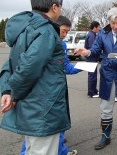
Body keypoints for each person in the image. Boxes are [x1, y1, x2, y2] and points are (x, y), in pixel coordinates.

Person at [0, 0, 70, 155]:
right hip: (43, 108)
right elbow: (28, 67)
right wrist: (14, 93)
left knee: (32, 149)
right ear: (54, 7)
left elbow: (10, 64)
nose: (60, 11)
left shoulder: (25, 29)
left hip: (30, 108)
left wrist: (8, 89)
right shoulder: (45, 30)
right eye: (60, 7)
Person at [75, 7, 117, 152]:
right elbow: (95, 50)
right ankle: (105, 135)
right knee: (105, 108)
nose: (116, 26)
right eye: (113, 23)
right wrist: (86, 52)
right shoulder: (103, 33)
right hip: (108, 74)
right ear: (109, 22)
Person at [19, 15, 80, 155]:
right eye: (63, 30)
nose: (64, 34)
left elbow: (66, 68)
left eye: (67, 32)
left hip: (57, 90)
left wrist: (84, 66)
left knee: (59, 123)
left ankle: (61, 151)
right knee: (36, 132)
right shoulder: (41, 41)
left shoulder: (62, 44)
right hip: (42, 92)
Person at [85, 21, 100, 98]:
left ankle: (94, 90)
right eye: (98, 27)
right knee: (92, 76)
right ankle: (91, 92)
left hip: (92, 58)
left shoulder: (91, 34)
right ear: (95, 27)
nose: (99, 29)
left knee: (93, 75)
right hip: (91, 58)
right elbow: (92, 48)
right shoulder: (91, 35)